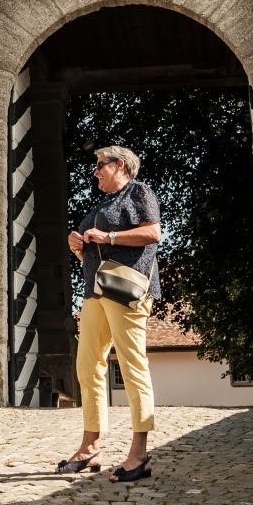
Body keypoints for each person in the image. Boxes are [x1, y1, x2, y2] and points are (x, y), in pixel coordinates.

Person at [57, 145, 162, 483]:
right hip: (95, 292)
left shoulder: (138, 192)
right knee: (87, 367)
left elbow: (153, 233)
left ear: (119, 165)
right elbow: (92, 253)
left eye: (99, 165)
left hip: (127, 291)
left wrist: (109, 235)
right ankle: (90, 447)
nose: (95, 172)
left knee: (132, 367)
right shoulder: (101, 205)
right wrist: (78, 244)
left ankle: (139, 454)